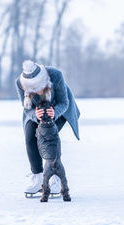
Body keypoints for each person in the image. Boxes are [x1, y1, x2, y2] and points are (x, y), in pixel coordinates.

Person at [15, 60, 80, 195]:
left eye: (39, 86)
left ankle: (55, 178)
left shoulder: (55, 75)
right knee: (30, 138)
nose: (38, 90)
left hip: (59, 109)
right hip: (35, 112)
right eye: (33, 89)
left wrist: (54, 112)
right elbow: (27, 107)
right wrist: (35, 115)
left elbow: (64, 101)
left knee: (49, 137)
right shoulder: (19, 83)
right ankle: (38, 179)